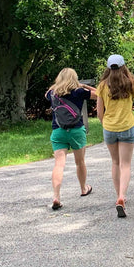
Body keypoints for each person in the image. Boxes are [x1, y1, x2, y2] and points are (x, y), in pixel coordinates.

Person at [96, 54, 134, 219]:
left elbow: (99, 113)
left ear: (109, 68)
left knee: (115, 162)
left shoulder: (102, 86)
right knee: (126, 164)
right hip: (127, 127)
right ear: (124, 67)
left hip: (109, 128)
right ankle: (122, 197)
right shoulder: (131, 84)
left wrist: (105, 124)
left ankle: (119, 195)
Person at [45, 68, 97, 210]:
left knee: (59, 164)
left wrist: (56, 86)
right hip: (76, 131)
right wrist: (84, 86)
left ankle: (56, 196)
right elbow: (100, 94)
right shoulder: (79, 92)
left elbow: (46, 94)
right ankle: (83, 188)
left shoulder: (52, 93)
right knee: (79, 162)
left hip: (58, 131)